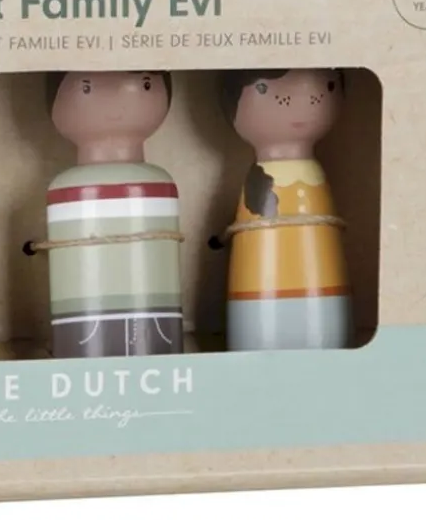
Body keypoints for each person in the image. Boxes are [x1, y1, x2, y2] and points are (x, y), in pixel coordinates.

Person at [43, 71, 184, 358]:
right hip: (83, 334)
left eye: (145, 85)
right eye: (87, 87)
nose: (117, 100)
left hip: (155, 331)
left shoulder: (158, 183)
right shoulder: (67, 188)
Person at [219, 68, 351, 350]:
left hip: (324, 307)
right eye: (265, 89)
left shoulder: (314, 178)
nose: (303, 98)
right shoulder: (260, 181)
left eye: (327, 87)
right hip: (257, 313)